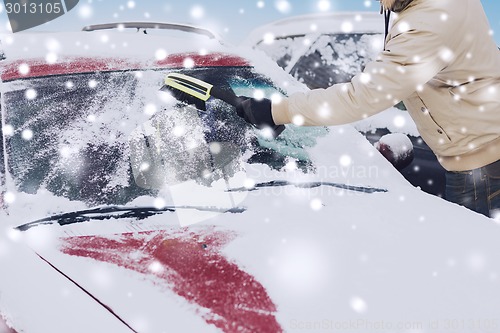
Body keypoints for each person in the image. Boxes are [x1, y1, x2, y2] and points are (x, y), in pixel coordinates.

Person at [236, 0, 500, 218]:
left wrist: (277, 111)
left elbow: (365, 96)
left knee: (483, 268)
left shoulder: (428, 21)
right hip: (484, 150)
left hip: (481, 167)